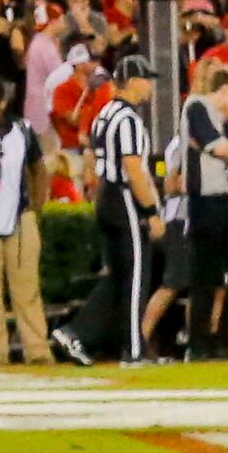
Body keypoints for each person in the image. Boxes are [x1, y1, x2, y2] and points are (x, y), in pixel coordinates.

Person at [57, 54, 165, 365]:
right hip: (124, 198)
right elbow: (133, 168)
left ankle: (76, 332)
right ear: (132, 81)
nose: (150, 87)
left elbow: (91, 157)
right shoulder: (127, 118)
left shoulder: (105, 113)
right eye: (146, 80)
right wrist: (151, 212)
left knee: (119, 276)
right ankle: (133, 350)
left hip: (106, 195)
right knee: (135, 277)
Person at [0, 78, 50, 366]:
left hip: (19, 217)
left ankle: (37, 350)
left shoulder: (22, 129)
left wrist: (34, 211)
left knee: (26, 288)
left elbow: (39, 171)